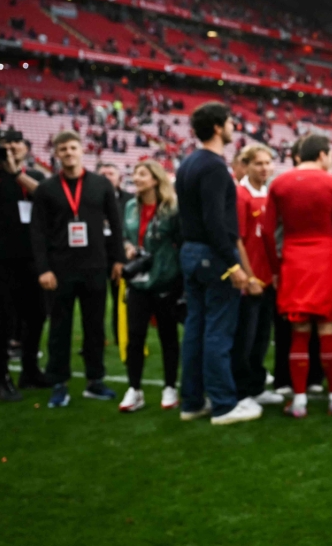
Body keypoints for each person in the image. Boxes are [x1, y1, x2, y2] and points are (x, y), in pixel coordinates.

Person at [176, 102, 261, 426]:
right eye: (229, 123)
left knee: (196, 330)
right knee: (217, 333)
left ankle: (193, 401)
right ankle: (224, 404)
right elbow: (216, 222)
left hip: (192, 253)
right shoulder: (213, 166)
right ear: (216, 127)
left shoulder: (188, 163)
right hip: (213, 257)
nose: (232, 128)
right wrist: (234, 264)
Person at [31, 131, 125, 408]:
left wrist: (118, 259)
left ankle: (95, 380)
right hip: (60, 269)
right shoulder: (47, 188)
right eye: (63, 149)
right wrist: (43, 269)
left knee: (94, 326)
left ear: (82, 150)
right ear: (57, 154)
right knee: (60, 327)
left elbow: (116, 224)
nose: (69, 153)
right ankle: (58, 381)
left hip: (96, 266)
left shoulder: (101, 185)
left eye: (73, 147)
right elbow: (37, 232)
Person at [263, 134, 332, 417]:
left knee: (298, 332)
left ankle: (299, 401)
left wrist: (275, 269)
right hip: (326, 260)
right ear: (323, 155)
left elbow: (266, 231)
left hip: (293, 261)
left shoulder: (279, 184)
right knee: (328, 329)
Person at [0, 129, 49, 401]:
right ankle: (2, 378)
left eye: (15, 143)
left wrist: (15, 172)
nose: (10, 149)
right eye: (5, 145)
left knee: (37, 314)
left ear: (26, 148)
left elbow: (47, 197)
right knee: (2, 319)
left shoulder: (34, 177)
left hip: (32, 257)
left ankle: (29, 369)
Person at [118, 160, 183, 412]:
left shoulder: (172, 208)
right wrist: (127, 246)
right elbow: (125, 234)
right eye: (135, 173)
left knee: (168, 335)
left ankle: (170, 386)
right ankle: (134, 389)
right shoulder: (130, 207)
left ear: (155, 179)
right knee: (135, 337)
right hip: (137, 281)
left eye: (142, 174)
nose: (136, 177)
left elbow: (180, 241)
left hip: (165, 279)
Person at [232, 143, 284, 407]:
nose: (264, 168)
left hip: (267, 281)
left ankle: (256, 384)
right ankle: (241, 392)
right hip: (250, 283)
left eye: (267, 163)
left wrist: (273, 273)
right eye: (258, 163)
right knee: (245, 339)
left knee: (262, 337)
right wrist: (250, 277)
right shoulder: (240, 195)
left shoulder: (268, 192)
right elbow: (238, 241)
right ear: (247, 165)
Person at [99, 162, 132, 345]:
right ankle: (97, 338)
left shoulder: (130, 199)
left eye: (110, 173)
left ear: (119, 178)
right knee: (96, 302)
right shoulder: (90, 197)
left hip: (119, 256)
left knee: (121, 300)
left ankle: (122, 337)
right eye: (102, 173)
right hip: (95, 256)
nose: (106, 176)